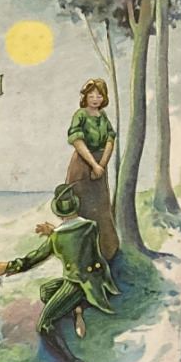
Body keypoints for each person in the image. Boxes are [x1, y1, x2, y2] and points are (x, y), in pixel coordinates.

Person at [0, 183, 116, 362]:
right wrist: (54, 232)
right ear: (75, 205)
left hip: (76, 284)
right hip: (94, 279)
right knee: (46, 290)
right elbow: (74, 239)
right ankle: (76, 310)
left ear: (57, 211)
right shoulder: (90, 227)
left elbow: (35, 257)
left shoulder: (58, 238)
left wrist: (7, 267)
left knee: (44, 325)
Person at [67, 78, 120, 262]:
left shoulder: (102, 116)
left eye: (99, 95)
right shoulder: (80, 115)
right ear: (85, 97)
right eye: (91, 95)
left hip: (100, 167)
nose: (96, 99)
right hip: (82, 166)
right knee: (83, 208)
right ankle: (82, 255)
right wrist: (94, 164)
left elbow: (110, 139)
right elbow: (77, 140)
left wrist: (102, 165)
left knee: (101, 208)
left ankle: (106, 253)